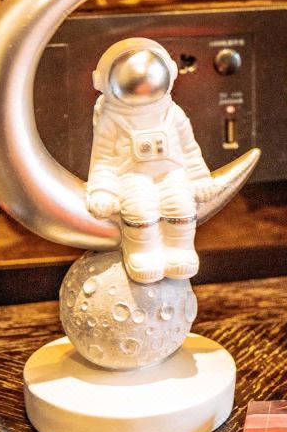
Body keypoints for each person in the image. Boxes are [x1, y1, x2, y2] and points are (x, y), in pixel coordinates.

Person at [85, 38, 215, 283]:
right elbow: (103, 159)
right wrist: (102, 190)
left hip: (172, 172)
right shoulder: (111, 119)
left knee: (180, 204)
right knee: (139, 208)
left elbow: (189, 148)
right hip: (131, 176)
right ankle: (143, 254)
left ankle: (180, 251)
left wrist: (199, 178)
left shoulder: (172, 113)